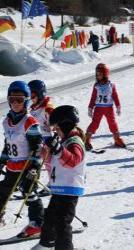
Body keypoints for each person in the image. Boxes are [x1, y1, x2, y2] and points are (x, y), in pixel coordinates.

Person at [0, 81, 44, 238]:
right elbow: (8, 145)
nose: (15, 103)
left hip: (27, 167)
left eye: (19, 100)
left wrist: (34, 166)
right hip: (13, 167)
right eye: (12, 100)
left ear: (26, 101)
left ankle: (38, 223)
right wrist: (2, 160)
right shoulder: (6, 122)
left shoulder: (30, 122)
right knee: (1, 191)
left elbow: (37, 147)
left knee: (29, 193)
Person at [32, 105, 86, 250]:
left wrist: (59, 150)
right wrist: (45, 153)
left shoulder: (75, 142)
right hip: (59, 188)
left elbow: (73, 160)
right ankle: (46, 244)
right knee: (49, 218)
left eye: (57, 127)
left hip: (69, 189)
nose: (55, 131)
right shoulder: (63, 141)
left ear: (65, 125)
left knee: (62, 223)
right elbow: (54, 162)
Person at [85, 63, 126, 150]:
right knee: (95, 123)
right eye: (97, 74)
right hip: (98, 108)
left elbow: (115, 96)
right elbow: (93, 97)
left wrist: (118, 106)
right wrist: (90, 107)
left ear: (105, 74)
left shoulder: (111, 86)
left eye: (100, 74)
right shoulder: (96, 86)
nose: (98, 76)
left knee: (112, 123)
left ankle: (117, 139)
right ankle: (87, 139)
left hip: (109, 108)